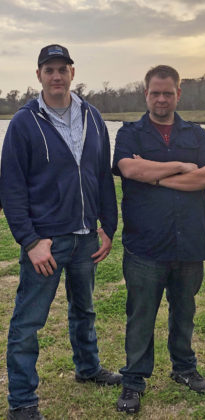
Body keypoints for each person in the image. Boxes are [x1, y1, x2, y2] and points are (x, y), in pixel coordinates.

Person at [1, 44, 120, 420]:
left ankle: (88, 367)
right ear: (38, 75)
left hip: (86, 237)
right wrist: (31, 241)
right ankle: (22, 399)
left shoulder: (92, 116)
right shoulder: (24, 122)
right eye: (48, 69)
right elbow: (12, 187)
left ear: (72, 72)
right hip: (47, 242)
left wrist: (108, 227)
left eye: (62, 69)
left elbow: (102, 175)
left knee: (83, 309)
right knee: (28, 321)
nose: (56, 76)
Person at [112, 65, 205, 414]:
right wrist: (181, 166)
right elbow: (130, 169)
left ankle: (184, 368)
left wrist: (155, 175)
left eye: (168, 93)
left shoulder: (196, 133)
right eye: (155, 92)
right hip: (145, 244)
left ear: (178, 94)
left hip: (189, 240)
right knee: (141, 314)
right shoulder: (130, 133)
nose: (161, 99)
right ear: (145, 94)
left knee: (184, 311)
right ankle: (133, 381)